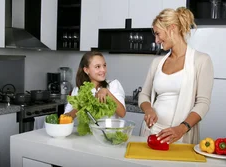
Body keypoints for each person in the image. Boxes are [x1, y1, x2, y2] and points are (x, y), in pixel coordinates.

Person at [138, 7, 214, 144]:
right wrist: (148, 109)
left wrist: (182, 128)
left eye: (158, 34)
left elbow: (203, 103)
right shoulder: (157, 62)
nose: (156, 40)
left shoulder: (201, 60)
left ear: (171, 28)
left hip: (180, 135)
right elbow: (144, 94)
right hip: (151, 131)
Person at [64, 51, 126, 120]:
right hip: (87, 131)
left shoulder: (113, 85)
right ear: (86, 70)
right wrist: (80, 106)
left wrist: (107, 92)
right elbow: (67, 116)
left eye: (104, 65)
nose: (103, 70)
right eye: (97, 67)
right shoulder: (78, 90)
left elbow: (122, 113)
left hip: (109, 131)